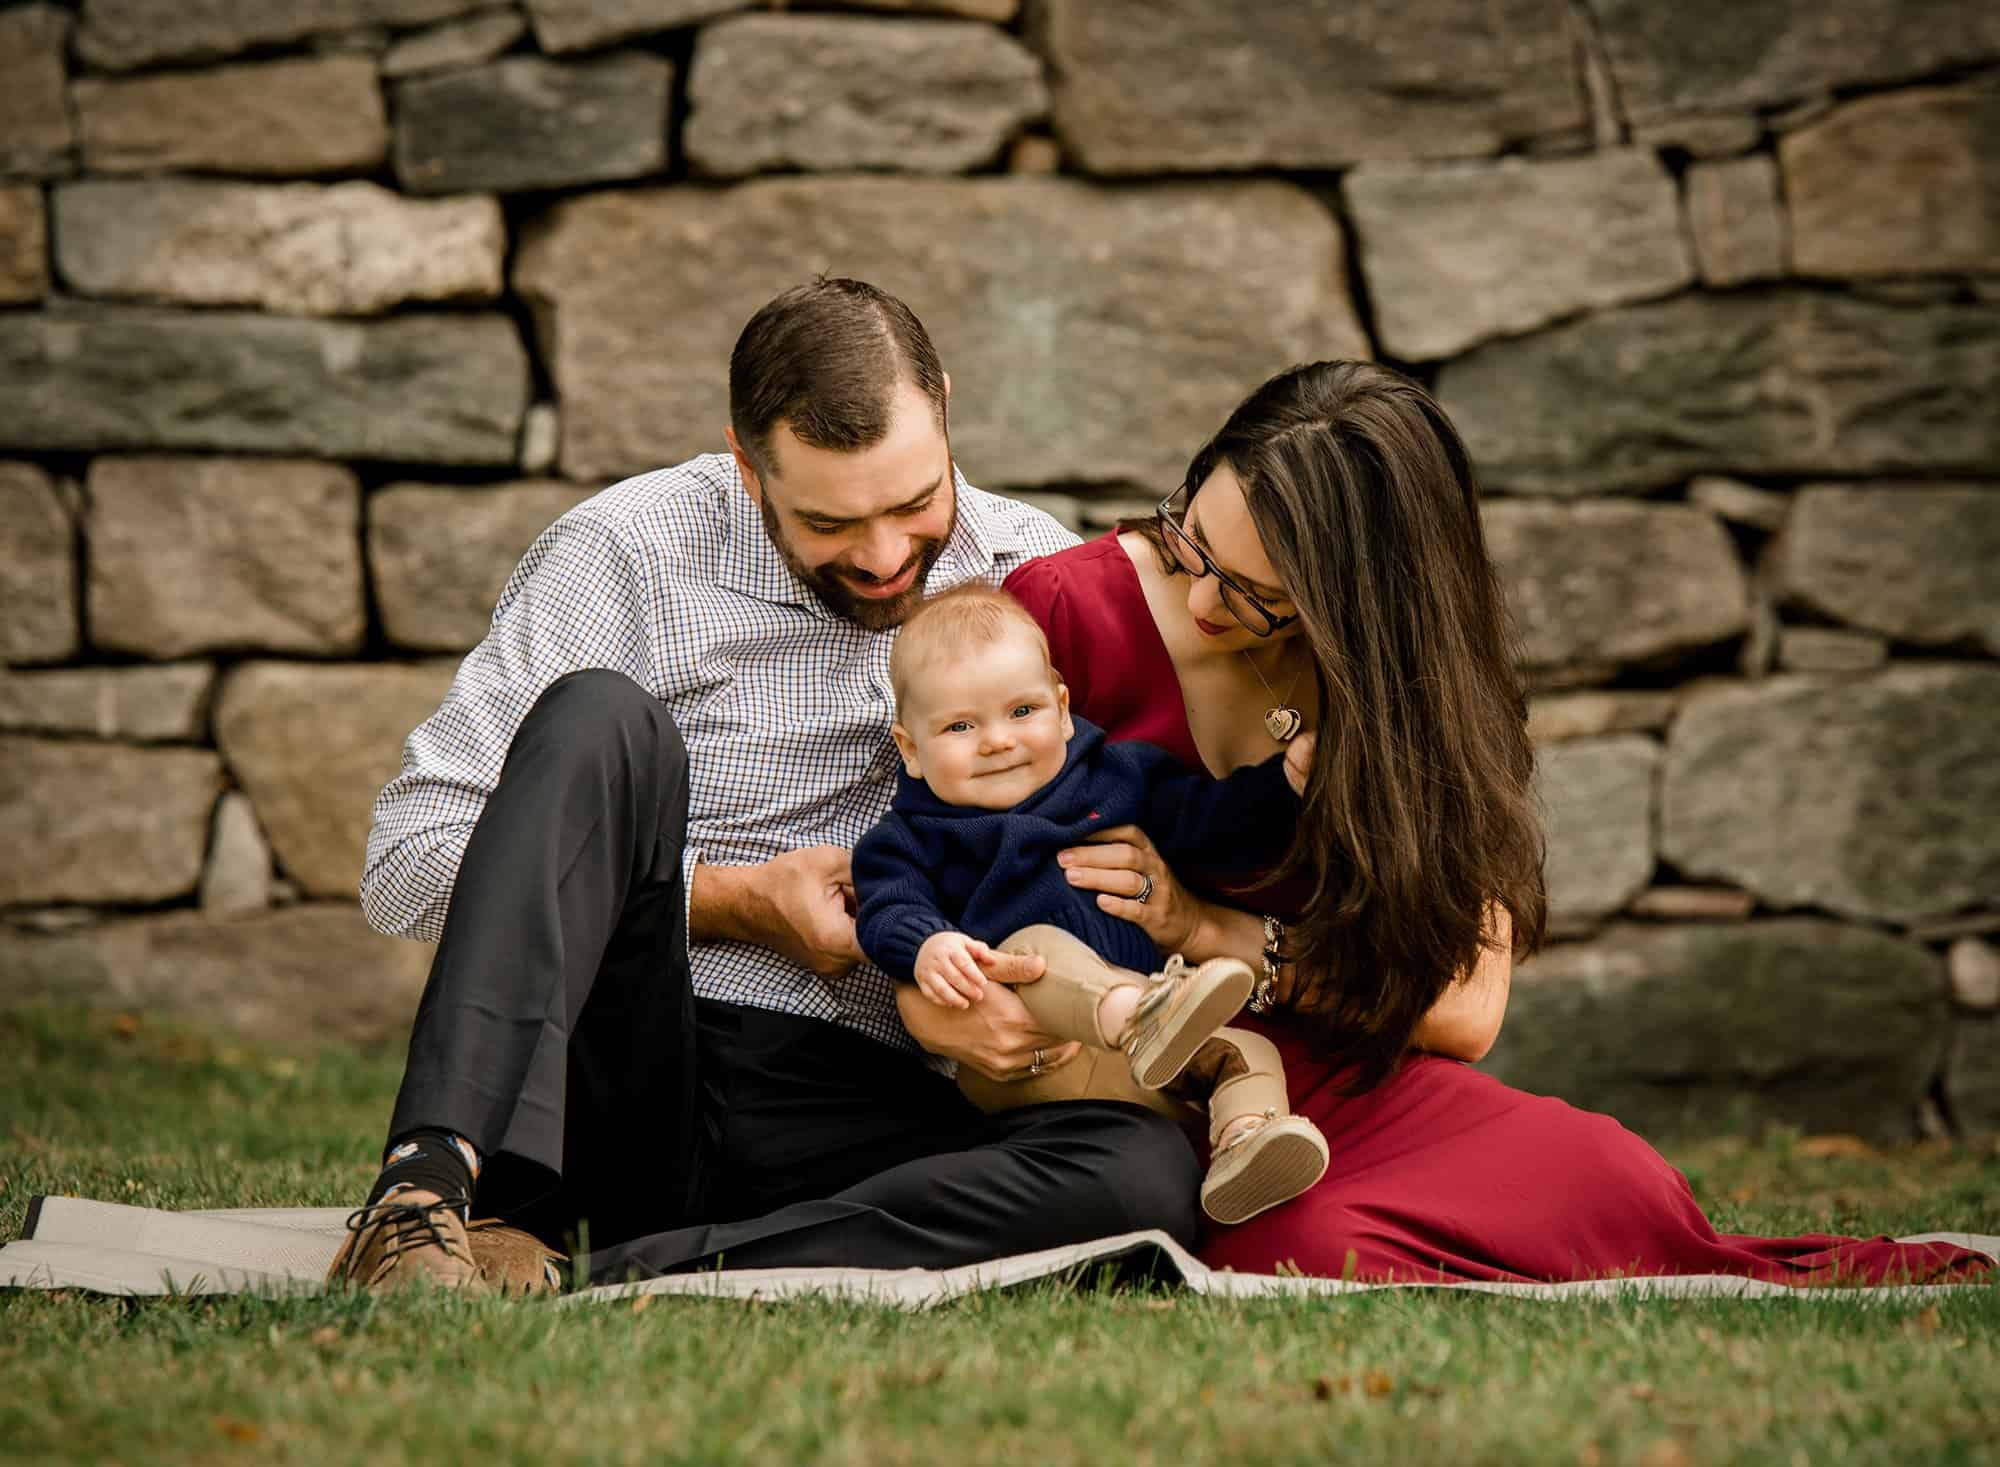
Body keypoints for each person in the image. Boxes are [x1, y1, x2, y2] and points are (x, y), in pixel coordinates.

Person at [1004, 359, 1993, 1285]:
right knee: (1309, 1244)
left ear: (1358, 608)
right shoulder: (1062, 613)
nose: (1204, 600)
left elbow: (1466, 1011)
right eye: (1189, 542)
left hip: (1353, 1070)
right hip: (1138, 1080)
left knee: (1611, 1179)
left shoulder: (1409, 691)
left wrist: (1211, 933)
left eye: (1264, 598)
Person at [327, 278, 1204, 1293]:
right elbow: (407, 861)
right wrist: (729, 900)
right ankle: (420, 1198)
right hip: (626, 1058)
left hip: (875, 1098)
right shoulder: (625, 552)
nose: (883, 559)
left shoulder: (1038, 578)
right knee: (597, 715)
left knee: (1142, 1180)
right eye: (831, 522)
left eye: (914, 504)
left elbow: (1152, 801)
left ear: (947, 410)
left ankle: (611, 1274)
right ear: (747, 468)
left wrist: (1141, 906)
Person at [850, 584, 1331, 1224]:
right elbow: (887, 909)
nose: (997, 740)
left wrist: (1283, 786)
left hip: (1142, 1070)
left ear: (1062, 706)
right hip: (1029, 1059)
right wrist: (931, 944)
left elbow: (1210, 825)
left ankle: (1244, 1145)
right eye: (961, 726)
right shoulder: (911, 837)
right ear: (911, 749)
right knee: (1033, 953)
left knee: (1248, 1052)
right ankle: (1140, 1015)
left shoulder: (1119, 776)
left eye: (1022, 711)